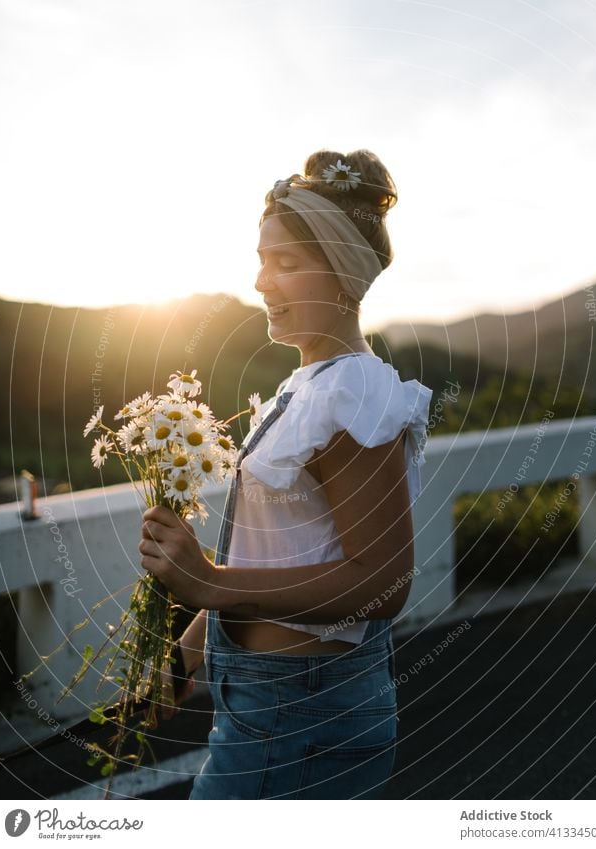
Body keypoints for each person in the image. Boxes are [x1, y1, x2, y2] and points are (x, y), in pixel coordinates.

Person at [139, 148, 433, 799]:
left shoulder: (352, 390)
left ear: (341, 270)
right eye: (261, 259)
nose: (262, 282)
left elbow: (380, 584)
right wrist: (186, 651)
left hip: (301, 719)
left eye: (286, 262)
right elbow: (267, 552)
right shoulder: (307, 386)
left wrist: (206, 580)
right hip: (271, 709)